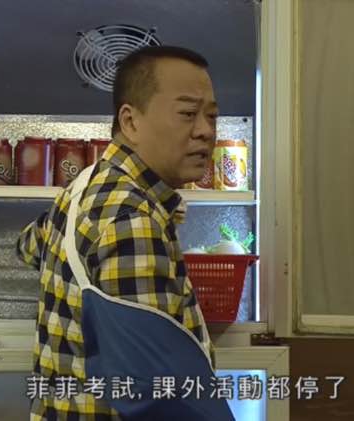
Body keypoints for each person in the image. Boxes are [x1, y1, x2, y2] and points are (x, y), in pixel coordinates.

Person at [17, 46, 230, 420]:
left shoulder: (83, 187)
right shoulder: (132, 219)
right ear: (130, 122)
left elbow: (27, 245)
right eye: (187, 114)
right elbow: (154, 395)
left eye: (211, 115)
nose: (205, 131)